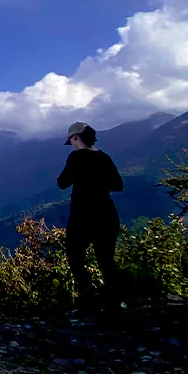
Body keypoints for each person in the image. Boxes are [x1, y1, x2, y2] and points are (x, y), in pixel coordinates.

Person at [57, 122, 124, 310]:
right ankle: (114, 304)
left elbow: (62, 183)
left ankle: (89, 301)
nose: (71, 144)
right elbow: (118, 185)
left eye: (71, 140)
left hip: (82, 216)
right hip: (107, 214)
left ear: (76, 137)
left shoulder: (75, 158)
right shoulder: (105, 158)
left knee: (76, 259)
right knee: (106, 260)